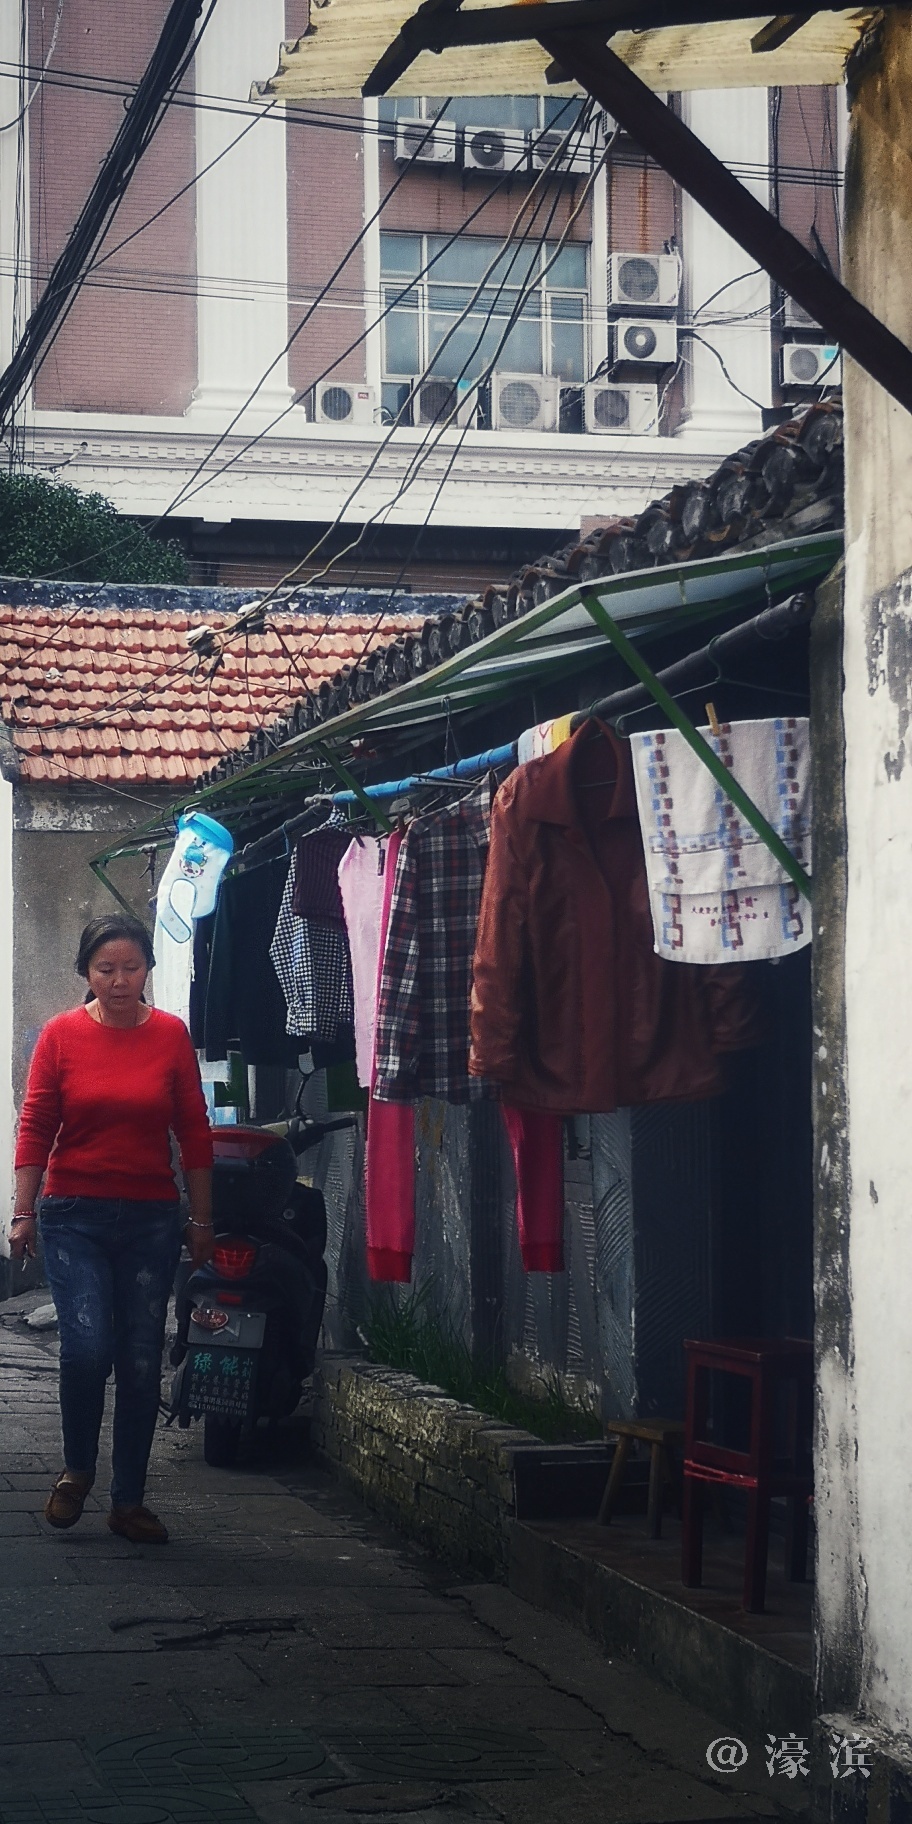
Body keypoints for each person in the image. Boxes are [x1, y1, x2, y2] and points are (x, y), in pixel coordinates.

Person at [8, 914, 214, 1545]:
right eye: (106, 969)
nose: (120, 980)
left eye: (131, 968)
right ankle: (77, 1469)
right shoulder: (60, 1036)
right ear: (86, 973)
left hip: (151, 1219)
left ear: (147, 969)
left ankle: (129, 1500)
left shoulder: (171, 1035)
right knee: (89, 1347)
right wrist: (22, 1211)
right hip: (74, 1215)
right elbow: (36, 1123)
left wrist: (201, 1219)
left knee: (141, 1359)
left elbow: (194, 1130)